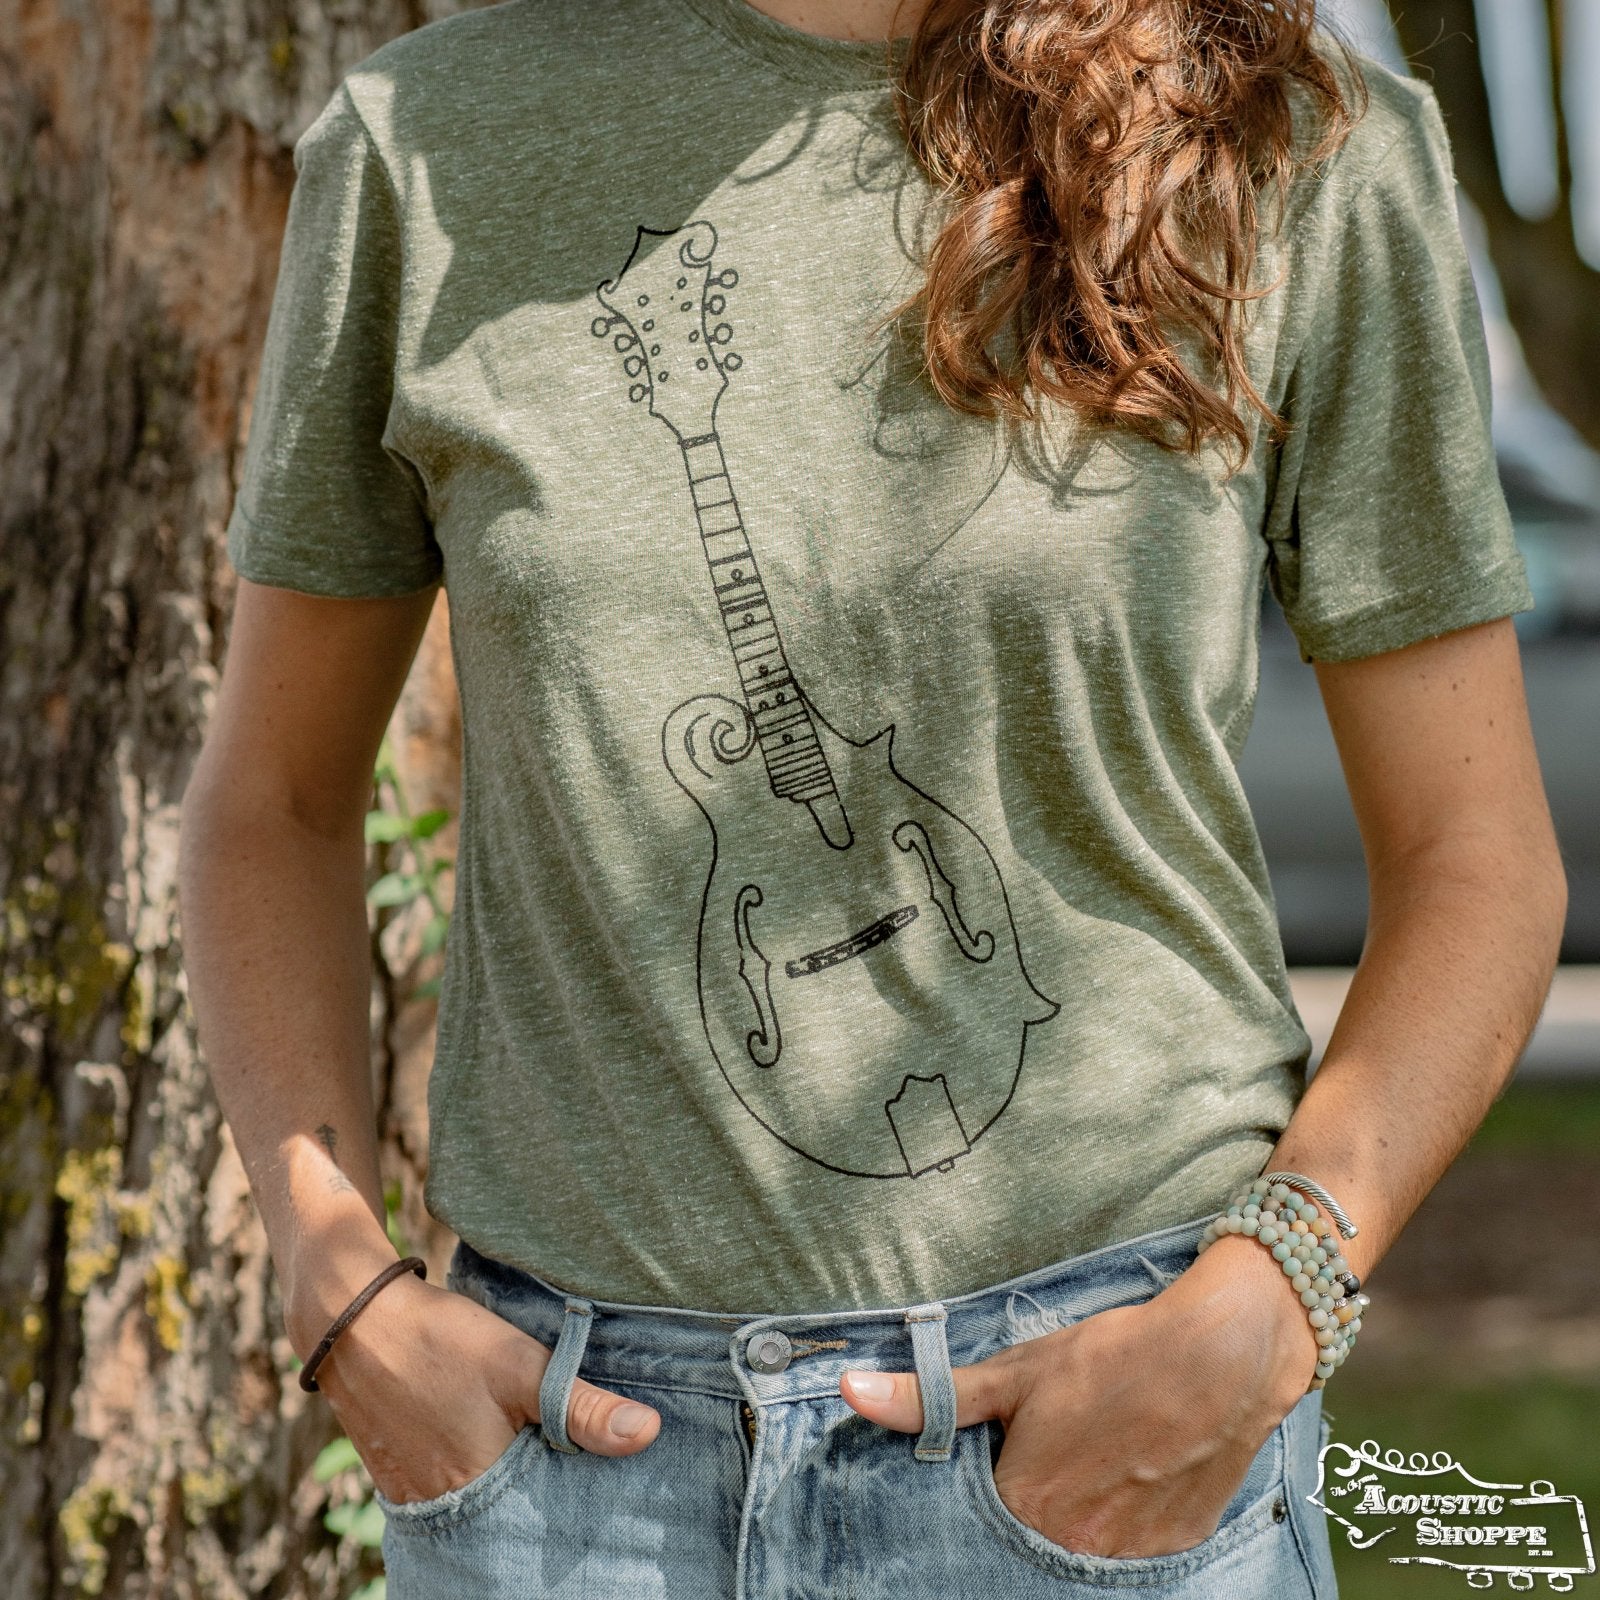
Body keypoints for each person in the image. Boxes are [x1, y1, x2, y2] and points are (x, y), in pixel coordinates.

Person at [176, 0, 1568, 1594]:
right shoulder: (429, 146)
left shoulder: (1295, 143)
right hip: (568, 1480)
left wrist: (1274, 1296)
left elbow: (1480, 860)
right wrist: (334, 1277)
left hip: (1113, 1435)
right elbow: (272, 801)